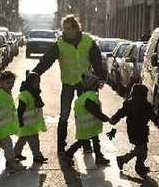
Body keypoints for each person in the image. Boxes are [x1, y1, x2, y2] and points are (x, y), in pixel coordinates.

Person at [32, 15, 106, 155]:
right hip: (68, 83)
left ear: (76, 28)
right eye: (64, 29)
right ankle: (61, 147)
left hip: (86, 85)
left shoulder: (88, 41)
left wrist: (100, 78)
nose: (65, 31)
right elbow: (46, 61)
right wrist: (35, 73)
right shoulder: (60, 44)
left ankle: (87, 145)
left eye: (68, 29)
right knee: (64, 115)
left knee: (87, 115)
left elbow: (97, 60)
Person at [109, 83, 159, 176]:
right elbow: (154, 118)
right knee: (142, 150)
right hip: (141, 131)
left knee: (140, 149)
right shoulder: (146, 105)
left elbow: (120, 113)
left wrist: (113, 120)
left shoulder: (128, 103)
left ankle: (133, 164)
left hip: (132, 130)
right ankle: (132, 164)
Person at [64, 74, 110, 166]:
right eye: (97, 84)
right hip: (87, 126)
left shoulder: (84, 96)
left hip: (85, 125)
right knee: (82, 142)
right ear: (92, 85)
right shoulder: (90, 97)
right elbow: (95, 112)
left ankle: (99, 157)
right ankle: (68, 154)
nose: (99, 86)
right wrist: (106, 119)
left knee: (95, 140)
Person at [14, 71, 48, 164]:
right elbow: (20, 109)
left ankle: (15, 154)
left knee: (22, 140)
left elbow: (39, 104)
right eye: (36, 82)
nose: (38, 84)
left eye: (38, 82)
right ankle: (37, 156)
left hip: (30, 124)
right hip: (26, 123)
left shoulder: (34, 93)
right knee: (34, 141)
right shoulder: (25, 94)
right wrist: (20, 122)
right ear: (30, 83)